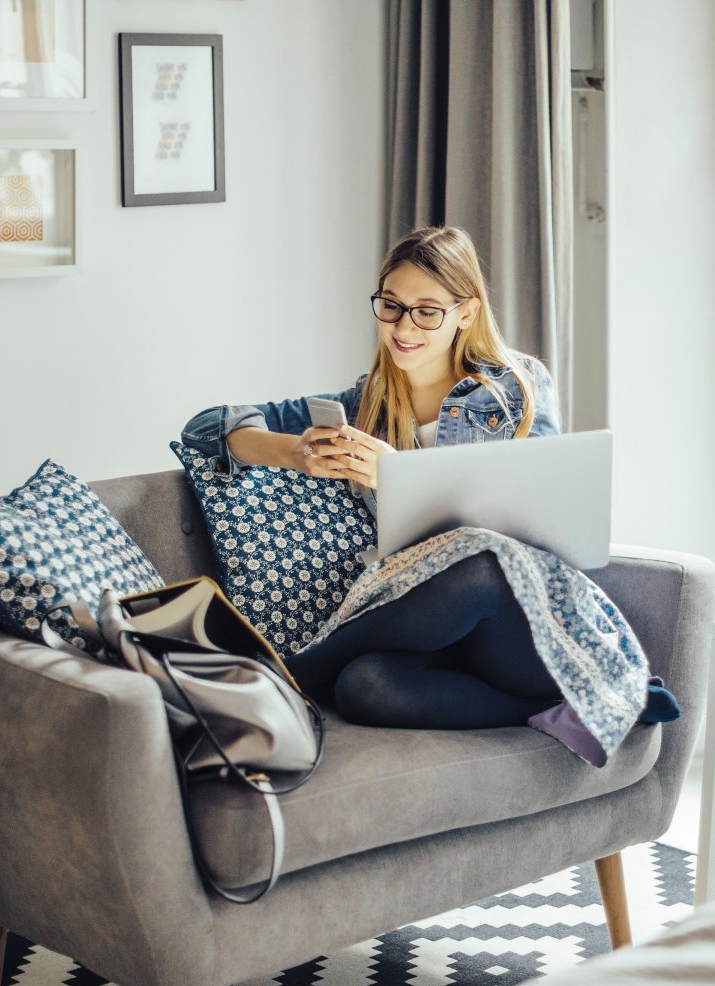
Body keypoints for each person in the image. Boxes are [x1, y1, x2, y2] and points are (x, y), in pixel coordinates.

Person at [181, 225, 676, 731]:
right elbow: (205, 429)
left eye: (427, 311)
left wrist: (396, 476)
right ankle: (597, 708)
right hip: (433, 634)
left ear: (466, 313)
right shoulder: (364, 404)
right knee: (363, 687)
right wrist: (294, 451)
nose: (403, 326)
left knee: (479, 564)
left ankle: (282, 678)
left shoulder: (517, 389)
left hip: (521, 625)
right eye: (391, 305)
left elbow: (534, 539)